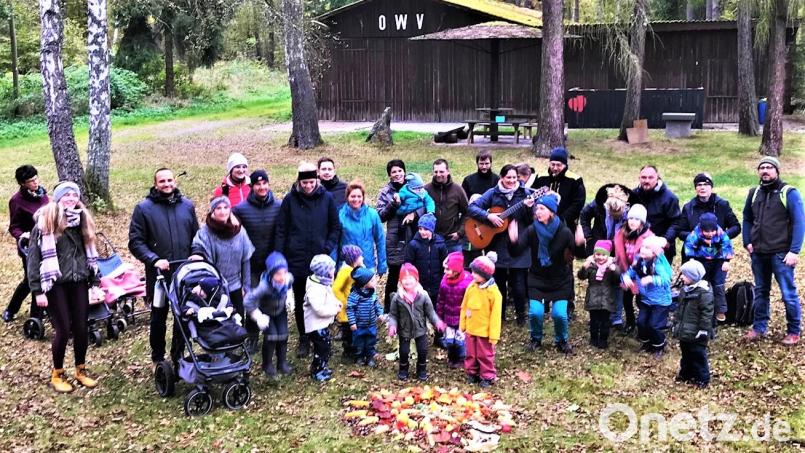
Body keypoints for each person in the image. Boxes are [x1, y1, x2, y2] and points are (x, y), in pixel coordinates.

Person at [27, 182, 100, 393]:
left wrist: (95, 282)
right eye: (65, 195)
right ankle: (57, 373)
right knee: (63, 329)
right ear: (57, 198)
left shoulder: (83, 220)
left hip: (78, 281)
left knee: (81, 327)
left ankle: (81, 370)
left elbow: (91, 254)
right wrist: (37, 291)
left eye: (73, 195)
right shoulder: (45, 222)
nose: (70, 198)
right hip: (54, 284)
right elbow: (34, 259)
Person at [129, 168, 199, 365]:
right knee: (158, 316)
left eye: (169, 180)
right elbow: (135, 242)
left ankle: (178, 355)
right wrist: (153, 259)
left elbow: (197, 236)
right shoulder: (144, 209)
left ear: (174, 181)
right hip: (159, 275)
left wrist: (196, 253)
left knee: (184, 315)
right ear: (155, 183)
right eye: (162, 181)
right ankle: (158, 357)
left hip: (184, 273)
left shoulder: (187, 206)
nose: (167, 184)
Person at [275, 161, 341, 358]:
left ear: (317, 180)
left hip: (320, 262)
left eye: (312, 182)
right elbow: (281, 229)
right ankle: (304, 337)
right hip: (297, 259)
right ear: (299, 182)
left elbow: (335, 227)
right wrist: (280, 257)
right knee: (301, 298)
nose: (308, 186)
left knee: (320, 297)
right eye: (305, 183)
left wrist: (327, 248)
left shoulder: (327, 199)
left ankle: (319, 333)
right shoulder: (289, 200)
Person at [742, 156, 804, 346]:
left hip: (781, 253)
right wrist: (747, 241)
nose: (765, 171)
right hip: (759, 253)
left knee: (788, 293)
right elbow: (746, 218)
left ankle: (794, 330)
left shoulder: (789, 193)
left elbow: (799, 222)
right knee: (761, 291)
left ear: (777, 171)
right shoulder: (754, 193)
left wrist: (794, 251)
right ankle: (759, 327)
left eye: (769, 167)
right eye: (762, 167)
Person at [509, 193, 575, 354]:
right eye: (536, 209)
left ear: (552, 212)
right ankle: (536, 339)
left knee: (560, 315)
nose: (537, 212)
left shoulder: (564, 232)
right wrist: (513, 239)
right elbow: (516, 251)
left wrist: (580, 243)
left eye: (541, 209)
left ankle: (562, 340)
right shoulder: (532, 230)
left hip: (560, 280)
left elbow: (577, 252)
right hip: (537, 278)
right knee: (535, 312)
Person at [467, 164, 532, 325]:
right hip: (496, 243)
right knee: (499, 281)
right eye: (508, 177)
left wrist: (530, 209)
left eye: (514, 178)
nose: (511, 181)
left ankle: (521, 316)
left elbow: (532, 220)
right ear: (501, 178)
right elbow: (472, 208)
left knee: (518, 282)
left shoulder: (525, 194)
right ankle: (499, 314)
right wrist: (488, 217)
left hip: (518, 242)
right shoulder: (493, 193)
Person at [232, 169, 281, 351]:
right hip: (250, 264)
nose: (262, 187)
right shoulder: (241, 210)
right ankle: (251, 335)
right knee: (252, 301)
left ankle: (271, 333)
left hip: (271, 264)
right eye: (257, 184)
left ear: (268, 184)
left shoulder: (278, 206)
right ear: (251, 187)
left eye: (264, 183)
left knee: (271, 300)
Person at [190, 197, 254, 320]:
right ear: (212, 211)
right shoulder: (205, 233)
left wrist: (246, 287)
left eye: (226, 208)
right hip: (214, 288)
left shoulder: (239, 231)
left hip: (235, 286)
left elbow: (246, 260)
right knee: (219, 325)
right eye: (218, 208)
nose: (222, 211)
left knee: (238, 323)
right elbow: (199, 252)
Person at [4, 165, 49, 322]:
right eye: (31, 181)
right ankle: (11, 309)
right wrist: (22, 235)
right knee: (31, 280)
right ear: (23, 183)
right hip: (29, 247)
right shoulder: (16, 201)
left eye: (36, 178)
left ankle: (37, 314)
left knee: (45, 277)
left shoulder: (43, 195)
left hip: (47, 243)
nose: (36, 182)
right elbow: (14, 227)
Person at [387, 263, 445, 381]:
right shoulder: (397, 297)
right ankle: (403, 369)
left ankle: (421, 370)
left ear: (416, 279)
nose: (408, 281)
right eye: (405, 279)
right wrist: (392, 325)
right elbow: (393, 314)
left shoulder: (423, 295)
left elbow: (431, 312)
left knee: (422, 350)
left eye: (410, 278)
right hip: (404, 329)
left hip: (420, 329)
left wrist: (437, 322)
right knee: (404, 351)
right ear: (400, 281)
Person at [245, 252, 294, 378]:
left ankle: (282, 363)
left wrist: (289, 298)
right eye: (278, 274)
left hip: (280, 310)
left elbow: (289, 286)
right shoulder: (264, 286)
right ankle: (267, 364)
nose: (282, 276)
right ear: (271, 274)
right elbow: (248, 300)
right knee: (272, 336)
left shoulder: (288, 279)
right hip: (267, 313)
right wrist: (257, 315)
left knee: (283, 335)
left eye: (284, 272)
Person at [621, 236, 673, 357]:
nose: (643, 250)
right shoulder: (639, 261)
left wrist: (652, 279)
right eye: (643, 247)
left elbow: (666, 279)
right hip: (645, 299)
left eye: (648, 248)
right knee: (641, 322)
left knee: (655, 325)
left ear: (654, 252)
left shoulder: (659, 264)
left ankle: (659, 345)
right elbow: (630, 272)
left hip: (660, 301)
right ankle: (646, 342)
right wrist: (626, 278)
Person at [460, 252, 502, 388]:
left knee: (485, 354)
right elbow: (464, 306)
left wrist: (494, 335)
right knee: (471, 352)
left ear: (485, 275)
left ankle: (487, 375)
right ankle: (472, 372)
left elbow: (496, 316)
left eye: (476, 273)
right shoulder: (471, 287)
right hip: (471, 329)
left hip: (484, 332)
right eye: (472, 271)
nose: (472, 275)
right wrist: (463, 325)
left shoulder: (494, 293)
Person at [683, 213, 734, 324]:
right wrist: (691, 258)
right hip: (702, 260)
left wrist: (726, 261)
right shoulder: (695, 234)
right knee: (703, 284)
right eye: (707, 231)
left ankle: (720, 309)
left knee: (718, 283)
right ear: (702, 229)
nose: (710, 234)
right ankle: (701, 308)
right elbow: (689, 245)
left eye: (712, 231)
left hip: (718, 261)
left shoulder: (721, 234)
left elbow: (727, 245)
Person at [612, 204, 655, 335]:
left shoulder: (648, 236)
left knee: (641, 299)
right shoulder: (621, 233)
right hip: (626, 270)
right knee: (626, 298)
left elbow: (652, 255)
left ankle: (644, 322)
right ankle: (630, 321)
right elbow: (619, 253)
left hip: (641, 272)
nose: (632, 222)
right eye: (631, 218)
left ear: (642, 222)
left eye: (636, 219)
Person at [673, 260, 714, 388]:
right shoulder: (685, 290)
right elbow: (680, 309)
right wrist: (676, 323)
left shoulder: (704, 293)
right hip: (685, 330)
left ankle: (702, 377)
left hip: (697, 332)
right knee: (685, 353)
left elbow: (707, 314)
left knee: (698, 354)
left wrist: (703, 330)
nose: (682, 277)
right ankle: (686, 373)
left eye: (685, 275)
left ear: (693, 277)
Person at [632, 165, 681, 263]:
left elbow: (676, 223)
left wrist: (665, 240)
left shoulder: (669, 198)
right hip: (637, 248)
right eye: (643, 177)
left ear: (657, 178)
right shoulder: (633, 195)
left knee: (660, 277)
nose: (647, 180)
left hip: (662, 249)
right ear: (639, 178)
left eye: (650, 177)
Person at [304, 254, 341, 382]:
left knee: (327, 346)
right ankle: (317, 370)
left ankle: (323, 367)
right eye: (331, 269)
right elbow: (319, 309)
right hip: (315, 325)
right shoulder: (314, 288)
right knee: (321, 348)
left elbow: (329, 295)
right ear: (324, 271)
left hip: (322, 324)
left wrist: (336, 302)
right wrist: (334, 310)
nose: (333, 271)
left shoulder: (323, 282)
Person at [677, 173, 740, 247]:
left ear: (711, 187)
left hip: (718, 252)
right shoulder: (688, 207)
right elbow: (680, 232)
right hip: (694, 252)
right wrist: (697, 237)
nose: (702, 187)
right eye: (699, 185)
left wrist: (721, 236)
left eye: (706, 184)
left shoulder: (722, 205)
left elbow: (736, 227)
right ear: (695, 188)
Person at [337, 179, 387, 275]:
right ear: (347, 197)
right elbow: (335, 243)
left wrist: (382, 265)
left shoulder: (372, 215)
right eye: (353, 196)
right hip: (346, 267)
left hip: (367, 264)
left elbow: (380, 241)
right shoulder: (340, 216)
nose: (356, 199)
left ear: (363, 197)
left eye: (359, 196)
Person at [577, 240, 620, 349]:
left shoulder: (611, 266)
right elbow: (581, 276)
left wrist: (614, 271)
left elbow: (617, 279)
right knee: (594, 321)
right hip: (593, 298)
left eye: (603, 255)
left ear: (608, 255)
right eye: (598, 254)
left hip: (606, 299)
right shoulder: (591, 266)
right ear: (594, 254)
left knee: (605, 321)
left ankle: (603, 339)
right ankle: (594, 338)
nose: (600, 257)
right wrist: (584, 268)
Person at [376, 159, 407, 312]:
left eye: (400, 171)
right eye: (394, 172)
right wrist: (393, 204)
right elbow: (380, 216)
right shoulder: (385, 192)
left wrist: (414, 213)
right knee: (394, 275)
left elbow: (424, 207)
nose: (397, 174)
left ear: (404, 172)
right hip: (394, 238)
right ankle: (388, 310)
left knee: (412, 273)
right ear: (389, 175)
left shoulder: (413, 187)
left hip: (413, 235)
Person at [531, 147, 586, 231]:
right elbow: (533, 197)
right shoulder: (541, 177)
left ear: (565, 165)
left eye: (559, 165)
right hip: (542, 220)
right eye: (553, 164)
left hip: (565, 223)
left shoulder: (575, 180)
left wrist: (561, 220)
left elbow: (578, 204)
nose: (555, 168)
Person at [404, 213, 448, 309]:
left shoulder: (440, 244)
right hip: (419, 284)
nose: (422, 232)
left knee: (435, 308)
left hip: (436, 283)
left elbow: (444, 264)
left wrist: (442, 280)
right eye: (420, 229)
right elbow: (408, 264)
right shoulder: (413, 245)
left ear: (432, 230)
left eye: (426, 229)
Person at [437, 251, 473, 367]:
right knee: (449, 340)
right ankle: (451, 358)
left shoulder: (467, 282)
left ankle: (461, 358)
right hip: (448, 317)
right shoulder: (444, 282)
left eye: (447, 269)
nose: (444, 272)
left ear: (456, 270)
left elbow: (470, 302)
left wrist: (469, 316)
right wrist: (440, 317)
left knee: (460, 340)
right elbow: (441, 300)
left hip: (461, 318)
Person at [425, 159, 468, 253]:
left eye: (441, 171)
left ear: (448, 172)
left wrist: (460, 232)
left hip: (452, 240)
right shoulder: (426, 190)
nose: (438, 174)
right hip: (432, 240)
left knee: (454, 268)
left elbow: (467, 213)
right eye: (436, 171)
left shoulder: (458, 190)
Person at [347, 266, 383, 367]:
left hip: (371, 324)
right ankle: (359, 357)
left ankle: (370, 356)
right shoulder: (355, 295)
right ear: (364, 283)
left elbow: (377, 304)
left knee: (371, 340)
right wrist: (352, 322)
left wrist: (380, 314)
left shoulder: (372, 294)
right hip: (359, 325)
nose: (375, 282)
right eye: (372, 280)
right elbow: (350, 309)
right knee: (359, 342)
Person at [333, 245, 363, 360]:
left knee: (355, 329)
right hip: (347, 310)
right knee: (348, 332)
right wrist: (345, 302)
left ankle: (356, 349)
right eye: (360, 257)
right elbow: (336, 289)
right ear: (353, 259)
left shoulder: (356, 270)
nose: (362, 258)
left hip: (355, 307)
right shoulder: (345, 271)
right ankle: (348, 351)